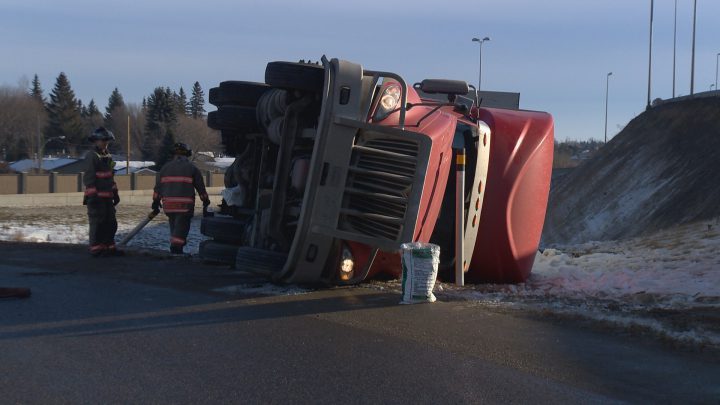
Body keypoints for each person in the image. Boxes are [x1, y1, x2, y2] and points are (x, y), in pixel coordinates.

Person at [152, 142, 210, 254]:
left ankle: (175, 245)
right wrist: (205, 200)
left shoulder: (165, 168)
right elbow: (200, 187)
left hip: (168, 205)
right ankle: (176, 249)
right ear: (187, 154)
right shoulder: (192, 168)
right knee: (182, 228)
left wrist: (155, 201)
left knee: (174, 226)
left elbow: (158, 187)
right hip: (184, 206)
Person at [83, 127, 122, 257]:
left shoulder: (108, 156)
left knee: (111, 223)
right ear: (96, 141)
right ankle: (96, 248)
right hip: (96, 197)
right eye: (103, 141)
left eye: (107, 141)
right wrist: (92, 196)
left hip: (107, 197)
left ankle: (109, 247)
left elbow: (110, 176)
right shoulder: (91, 156)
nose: (105, 143)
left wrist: (115, 192)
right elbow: (89, 177)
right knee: (97, 222)